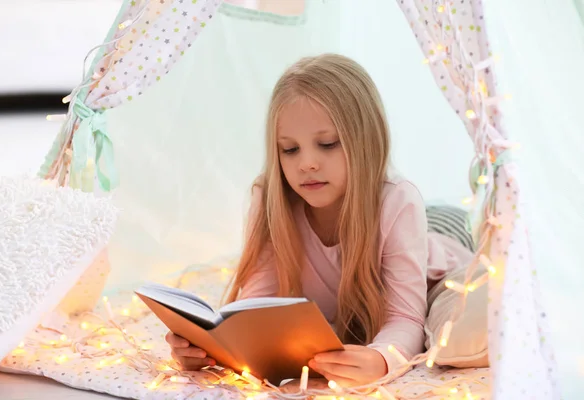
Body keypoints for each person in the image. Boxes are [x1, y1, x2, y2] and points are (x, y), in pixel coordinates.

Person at [165, 53, 473, 387]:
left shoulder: (398, 200)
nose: (307, 163)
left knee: (455, 224)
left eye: (326, 144)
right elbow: (253, 309)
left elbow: (405, 318)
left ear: (365, 141)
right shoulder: (271, 198)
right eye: (289, 150)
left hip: (444, 243)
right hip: (410, 223)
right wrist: (210, 349)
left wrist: (383, 359)